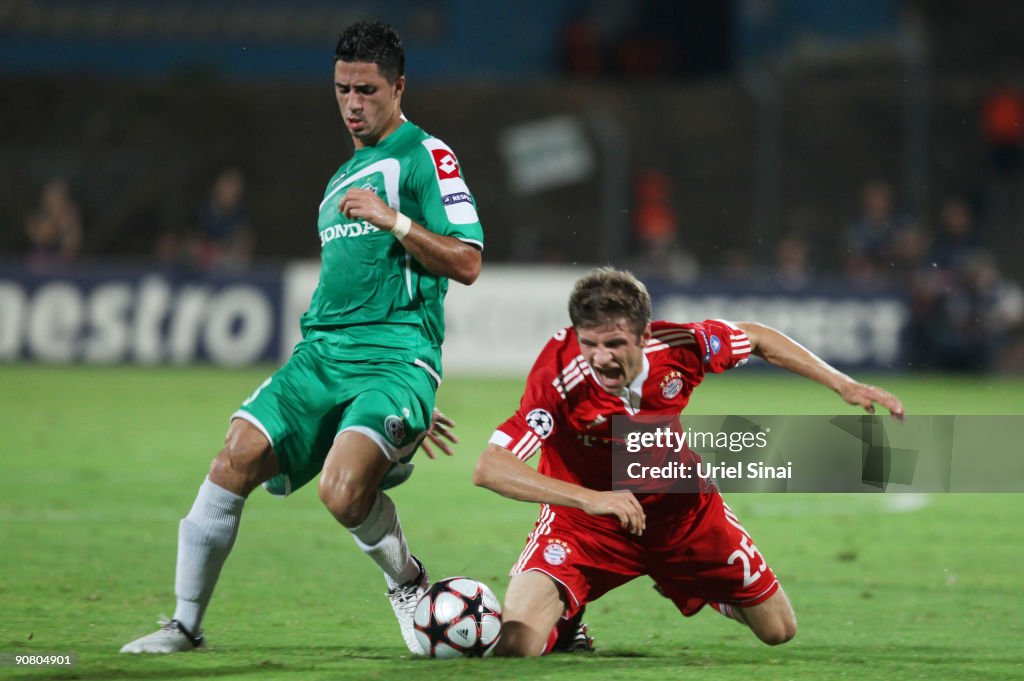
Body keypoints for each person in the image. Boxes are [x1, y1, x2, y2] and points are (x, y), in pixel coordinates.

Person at [121, 21, 484, 655]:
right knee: (234, 457)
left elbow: (468, 260)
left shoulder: (425, 156)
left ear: (398, 86)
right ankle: (184, 627)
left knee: (341, 493)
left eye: (367, 89)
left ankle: (408, 583)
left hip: (394, 360)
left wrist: (394, 218)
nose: (352, 102)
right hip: (320, 359)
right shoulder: (340, 178)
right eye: (342, 88)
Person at [473, 268, 904, 656]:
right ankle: (567, 628)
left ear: (644, 337)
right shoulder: (557, 375)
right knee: (517, 645)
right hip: (587, 526)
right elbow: (491, 467)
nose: (600, 357)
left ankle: (686, 579)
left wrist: (842, 385)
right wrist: (591, 500)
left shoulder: (682, 346)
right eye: (590, 343)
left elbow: (757, 338)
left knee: (779, 630)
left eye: (615, 343)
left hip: (683, 515)